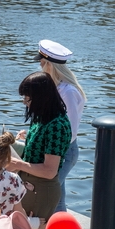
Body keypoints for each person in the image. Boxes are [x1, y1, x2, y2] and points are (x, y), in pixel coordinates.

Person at [6, 72, 71, 229]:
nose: (25, 103)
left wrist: (18, 164)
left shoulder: (57, 125)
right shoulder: (42, 118)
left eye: (28, 99)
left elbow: (50, 170)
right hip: (30, 184)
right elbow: (43, 148)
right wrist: (27, 138)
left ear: (41, 98)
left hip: (42, 189)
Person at [37, 40, 85, 213]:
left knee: (50, 194)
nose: (40, 68)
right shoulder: (56, 88)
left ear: (50, 65)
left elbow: (69, 129)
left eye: (42, 64)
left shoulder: (68, 91)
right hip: (54, 149)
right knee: (57, 199)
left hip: (64, 151)